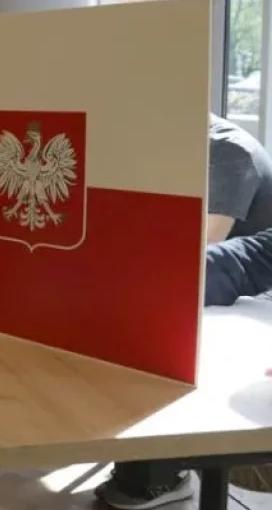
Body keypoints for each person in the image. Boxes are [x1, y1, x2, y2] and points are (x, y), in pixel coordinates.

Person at [97, 114, 272, 510]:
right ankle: (149, 469)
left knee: (169, 339)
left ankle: (159, 473)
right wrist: (155, 274)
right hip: (237, 296)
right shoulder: (169, 154)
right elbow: (248, 257)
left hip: (249, 309)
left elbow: (208, 241)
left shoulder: (230, 152)